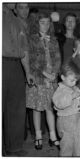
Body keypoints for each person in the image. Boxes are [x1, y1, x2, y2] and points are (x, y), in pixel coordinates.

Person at [3, 3, 34, 156]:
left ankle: (14, 147)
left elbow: (25, 49)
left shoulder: (18, 22)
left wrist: (27, 72)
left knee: (16, 108)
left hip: (16, 67)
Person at [26, 12, 61, 150]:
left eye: (47, 22)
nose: (45, 25)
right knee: (37, 107)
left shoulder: (53, 40)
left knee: (50, 108)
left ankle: (53, 136)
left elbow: (58, 58)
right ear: (37, 24)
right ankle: (38, 136)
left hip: (51, 78)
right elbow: (31, 60)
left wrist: (54, 74)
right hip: (38, 77)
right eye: (42, 22)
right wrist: (45, 73)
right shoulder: (32, 39)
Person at [53, 60, 80, 156]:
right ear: (63, 77)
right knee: (67, 144)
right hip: (66, 121)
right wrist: (71, 96)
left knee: (79, 141)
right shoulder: (60, 90)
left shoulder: (74, 88)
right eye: (72, 80)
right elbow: (59, 104)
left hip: (77, 118)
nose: (74, 82)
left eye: (76, 80)